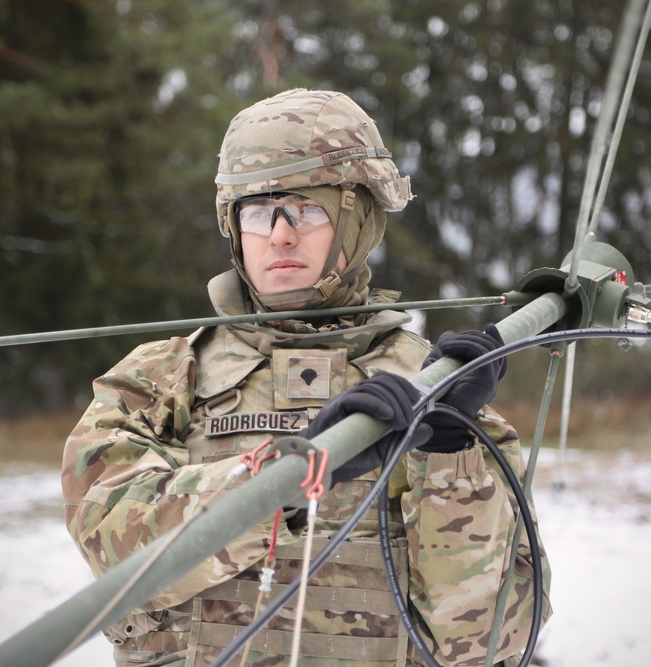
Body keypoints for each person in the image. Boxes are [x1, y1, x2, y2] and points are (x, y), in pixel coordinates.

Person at [62, 88, 552, 667]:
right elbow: (114, 550)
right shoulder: (161, 378)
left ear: (358, 219)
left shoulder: (431, 385)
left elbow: (490, 641)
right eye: (256, 212)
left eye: (308, 210)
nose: (280, 234)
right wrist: (287, 477)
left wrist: (450, 454)